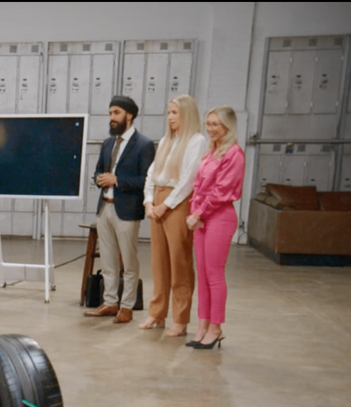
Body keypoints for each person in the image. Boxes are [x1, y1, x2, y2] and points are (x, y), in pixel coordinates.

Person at [84, 95, 155, 324]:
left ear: (129, 115)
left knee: (129, 262)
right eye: (110, 113)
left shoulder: (144, 145)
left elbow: (146, 180)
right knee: (108, 260)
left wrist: (117, 180)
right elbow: (98, 171)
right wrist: (100, 178)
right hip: (105, 208)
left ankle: (127, 306)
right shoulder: (108, 143)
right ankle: (110, 302)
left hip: (127, 211)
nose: (112, 117)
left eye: (116, 113)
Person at [141, 95, 208, 338]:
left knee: (180, 262)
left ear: (186, 115)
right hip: (159, 199)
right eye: (169, 112)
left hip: (178, 203)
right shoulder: (165, 141)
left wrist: (165, 205)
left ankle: (180, 319)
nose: (170, 117)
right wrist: (149, 201)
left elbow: (188, 180)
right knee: (158, 263)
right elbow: (152, 173)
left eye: (175, 113)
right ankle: (157, 313)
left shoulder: (196, 141)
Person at [186, 106, 244, 350]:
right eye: (208, 124)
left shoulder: (234, 154)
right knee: (202, 274)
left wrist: (199, 213)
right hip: (202, 217)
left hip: (220, 217)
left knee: (214, 274)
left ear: (227, 127)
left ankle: (216, 327)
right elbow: (198, 186)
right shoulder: (210, 152)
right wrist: (195, 212)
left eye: (215, 124)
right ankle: (202, 325)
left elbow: (221, 191)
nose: (210, 129)